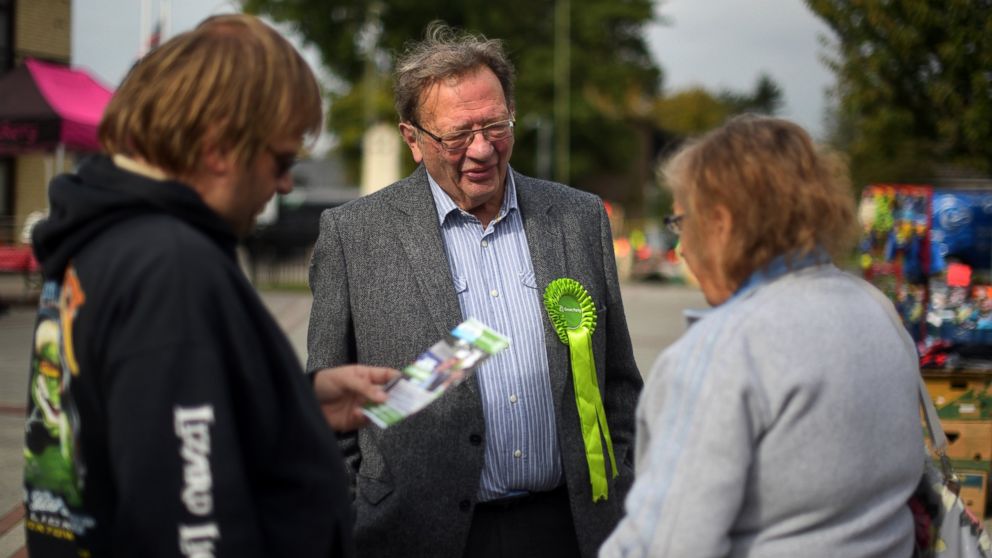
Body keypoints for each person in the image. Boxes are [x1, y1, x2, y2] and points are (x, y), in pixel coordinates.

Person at [22, 14, 395, 557]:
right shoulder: (169, 265)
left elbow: (137, 422)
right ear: (220, 146)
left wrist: (293, 402)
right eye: (282, 158)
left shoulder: (101, 233)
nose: (286, 182)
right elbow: (191, 522)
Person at [307, 22, 642, 558]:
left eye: (497, 125)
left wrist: (618, 485)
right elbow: (327, 400)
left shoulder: (578, 218)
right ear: (413, 140)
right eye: (459, 134)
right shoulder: (355, 235)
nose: (483, 149)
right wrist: (361, 514)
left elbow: (620, 382)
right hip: (416, 536)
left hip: (566, 528)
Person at [599, 115, 925, 557]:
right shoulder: (875, 308)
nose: (681, 249)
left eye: (680, 222)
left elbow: (665, 543)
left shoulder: (724, 348)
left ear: (721, 223)